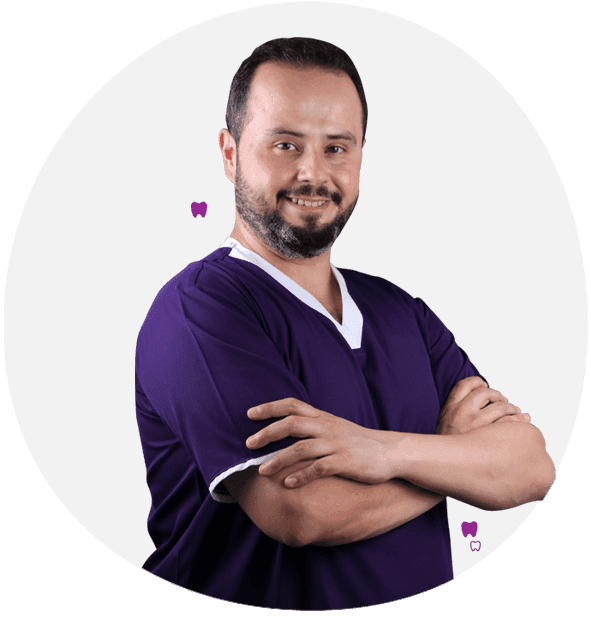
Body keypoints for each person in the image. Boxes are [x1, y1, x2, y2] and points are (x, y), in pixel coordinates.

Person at [135, 37, 555, 610]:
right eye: (286, 144)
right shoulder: (201, 310)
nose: (313, 173)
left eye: (337, 147)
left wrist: (384, 453)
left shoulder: (400, 311)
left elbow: (531, 467)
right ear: (230, 153)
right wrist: (453, 460)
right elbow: (301, 512)